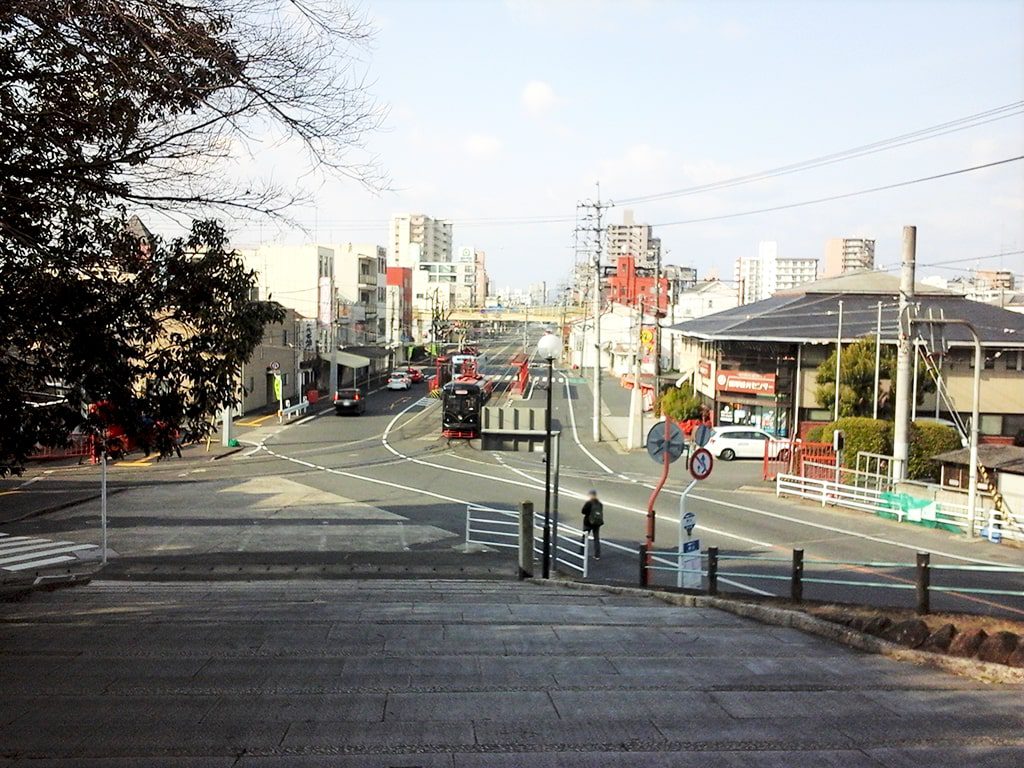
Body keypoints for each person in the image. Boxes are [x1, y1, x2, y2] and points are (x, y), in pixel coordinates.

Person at [581, 489, 604, 560]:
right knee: (596, 538)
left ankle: (582, 552)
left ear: (590, 495)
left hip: (588, 522)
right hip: (597, 523)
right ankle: (597, 555)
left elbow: (583, 511)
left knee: (584, 537)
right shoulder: (600, 504)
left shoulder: (589, 503)